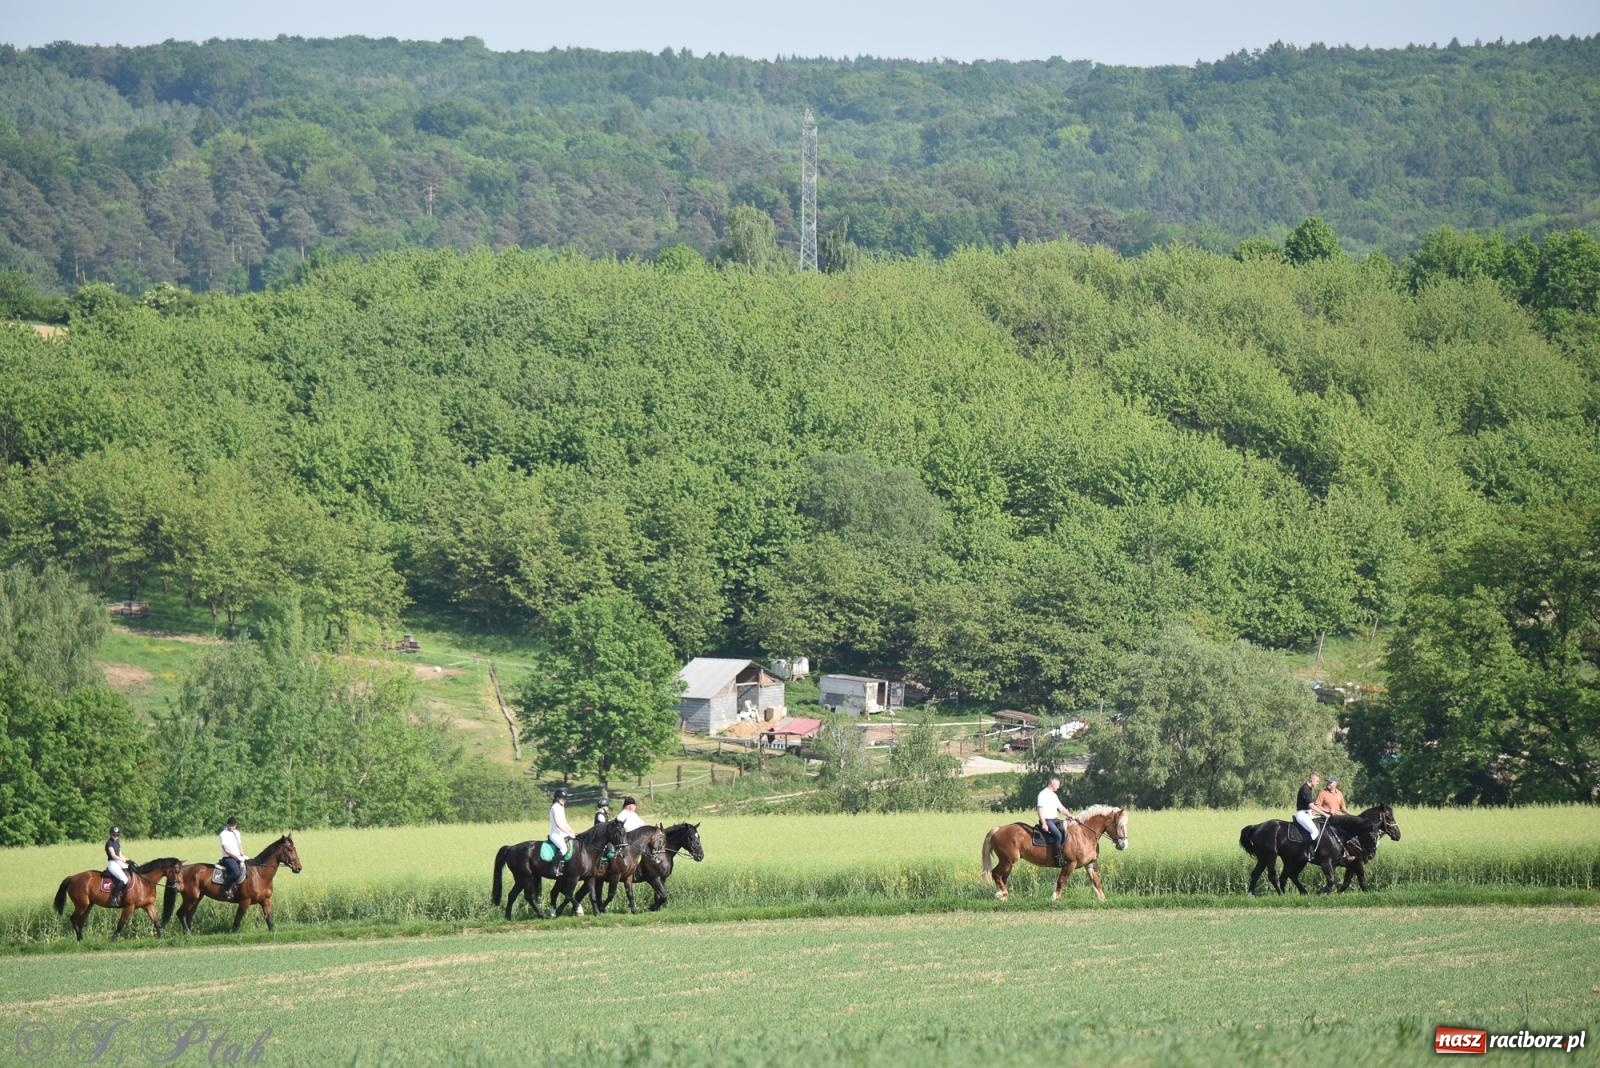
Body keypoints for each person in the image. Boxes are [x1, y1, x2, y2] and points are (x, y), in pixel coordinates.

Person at [1036, 776, 1074, 867]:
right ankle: (1057, 859)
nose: (1058, 787)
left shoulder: (1053, 795)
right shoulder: (1042, 794)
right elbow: (1040, 810)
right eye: (1057, 785)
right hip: (1047, 820)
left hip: (1054, 819)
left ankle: (1065, 854)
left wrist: (1070, 815)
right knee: (1058, 835)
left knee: (1066, 832)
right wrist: (1044, 824)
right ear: (1052, 784)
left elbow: (1061, 808)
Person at [1293, 773, 1326, 859]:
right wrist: (1324, 813)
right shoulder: (1305, 789)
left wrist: (1319, 814)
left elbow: (1309, 807)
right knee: (1315, 832)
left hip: (1308, 813)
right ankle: (1305, 852)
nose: (1318, 783)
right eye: (1317, 781)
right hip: (1301, 815)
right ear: (1312, 780)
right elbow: (1311, 805)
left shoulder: (1309, 788)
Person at [218, 816, 250, 900]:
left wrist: (243, 855)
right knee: (236, 873)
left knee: (250, 869)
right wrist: (237, 857)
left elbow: (239, 845)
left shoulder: (237, 833)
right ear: (227, 825)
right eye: (231, 825)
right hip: (228, 858)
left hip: (239, 857)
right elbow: (226, 849)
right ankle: (226, 889)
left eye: (234, 825)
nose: (232, 827)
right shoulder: (223, 834)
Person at [547, 788, 575, 877]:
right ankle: (553, 869)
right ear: (558, 798)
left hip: (563, 834)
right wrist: (568, 832)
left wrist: (572, 831)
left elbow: (565, 822)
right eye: (563, 798)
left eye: (565, 799)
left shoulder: (561, 807)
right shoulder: (555, 807)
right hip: (555, 834)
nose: (564, 800)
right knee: (564, 849)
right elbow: (558, 824)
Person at [104, 825, 131, 907]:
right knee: (124, 879)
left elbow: (120, 855)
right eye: (113, 834)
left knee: (131, 870)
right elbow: (113, 856)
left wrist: (129, 860)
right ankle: (113, 898)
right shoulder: (109, 843)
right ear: (110, 834)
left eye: (117, 835)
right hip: (112, 863)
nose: (115, 836)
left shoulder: (117, 843)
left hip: (118, 862)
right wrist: (123, 860)